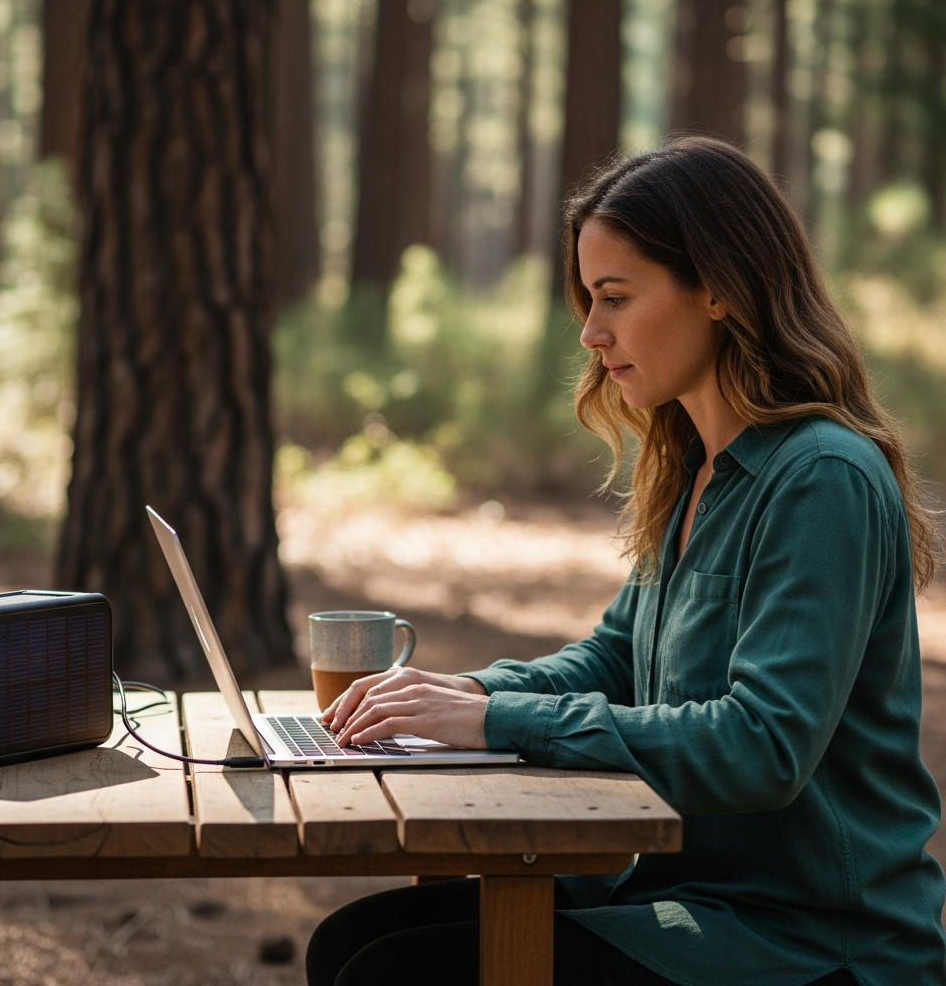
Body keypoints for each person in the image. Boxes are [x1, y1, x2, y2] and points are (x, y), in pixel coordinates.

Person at [305, 138, 946, 986]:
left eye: (615, 297)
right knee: (351, 944)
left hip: (811, 937)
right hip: (682, 887)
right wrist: (473, 693)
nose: (591, 331)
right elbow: (616, 656)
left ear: (719, 287)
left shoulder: (820, 476)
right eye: (588, 299)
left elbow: (764, 743)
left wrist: (498, 725)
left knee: (396, 972)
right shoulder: (695, 463)